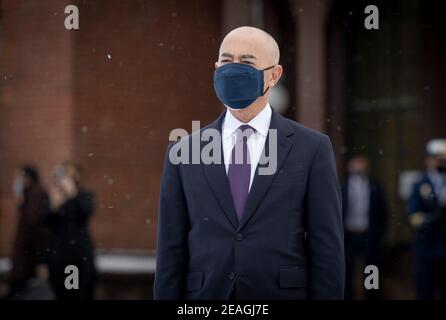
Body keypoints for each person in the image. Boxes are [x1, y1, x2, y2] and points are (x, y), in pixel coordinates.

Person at [154, 26, 344, 300]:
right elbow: (170, 250)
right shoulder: (183, 151)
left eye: (247, 62)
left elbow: (327, 248)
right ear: (216, 67)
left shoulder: (312, 149)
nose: (234, 69)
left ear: (274, 74)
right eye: (227, 60)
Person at [44, 162, 96, 300]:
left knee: (76, 293)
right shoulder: (57, 197)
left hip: (76, 257)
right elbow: (46, 222)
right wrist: (55, 204)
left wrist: (73, 194)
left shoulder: (83, 195)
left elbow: (85, 212)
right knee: (60, 293)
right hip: (58, 257)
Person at [342, 155, 387, 300]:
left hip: (368, 234)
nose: (359, 167)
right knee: (346, 270)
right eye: (356, 164)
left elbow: (383, 213)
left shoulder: (375, 186)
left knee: (371, 269)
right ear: (349, 166)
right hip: (348, 234)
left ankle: (371, 297)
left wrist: (378, 234)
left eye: (362, 164)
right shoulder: (342, 187)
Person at [408, 139, 446, 299]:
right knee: (425, 292)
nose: (440, 162)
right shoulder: (419, 184)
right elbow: (413, 216)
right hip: (426, 248)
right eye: (437, 158)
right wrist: (433, 217)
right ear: (428, 160)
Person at [4, 165, 49, 299]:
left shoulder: (35, 195)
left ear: (27, 179)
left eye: (19, 177)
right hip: (26, 259)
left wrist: (41, 259)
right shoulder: (30, 196)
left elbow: (33, 227)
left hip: (27, 259)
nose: (16, 181)